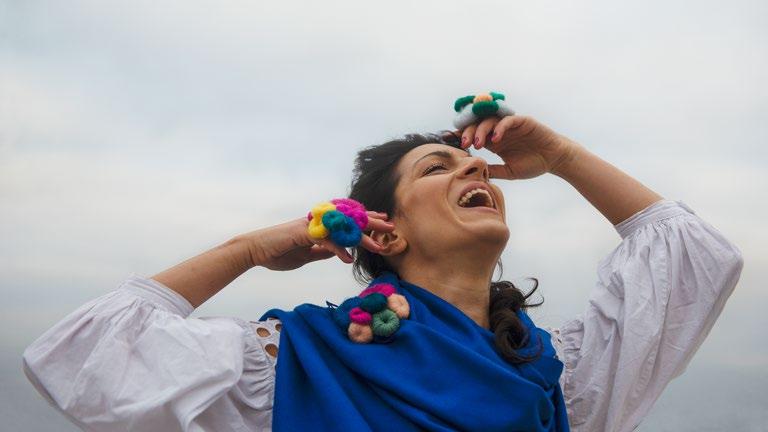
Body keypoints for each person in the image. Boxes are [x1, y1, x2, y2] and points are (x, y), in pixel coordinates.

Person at [22, 115, 744, 431]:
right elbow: (83, 350)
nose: (474, 172)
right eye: (438, 167)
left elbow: (691, 256)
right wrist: (249, 248)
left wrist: (560, 156)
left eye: (475, 167)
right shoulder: (295, 362)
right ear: (384, 230)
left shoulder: (557, 376)